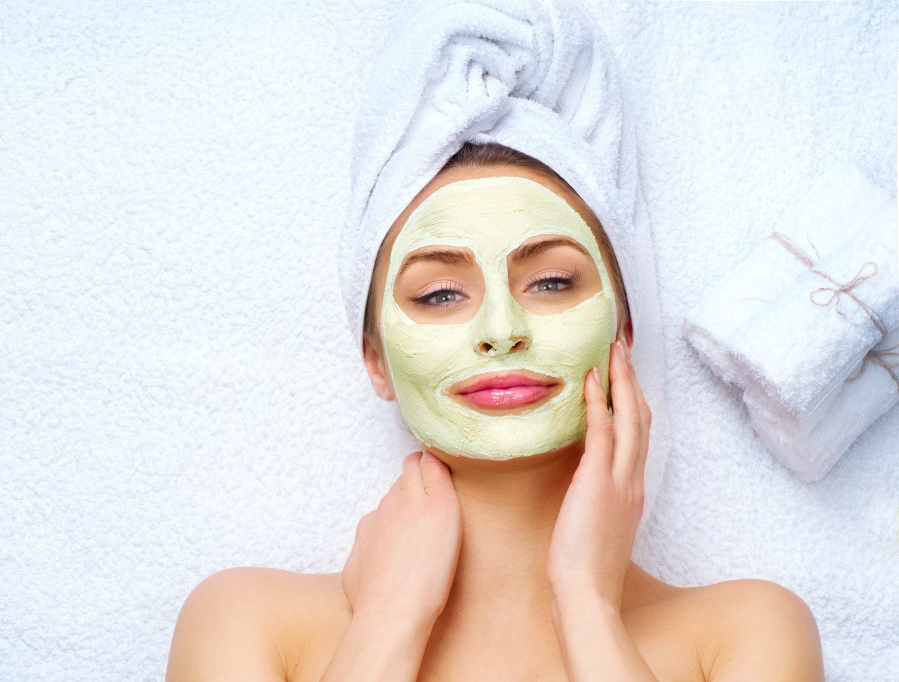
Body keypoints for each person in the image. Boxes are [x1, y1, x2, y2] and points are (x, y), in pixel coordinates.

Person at [167, 2, 824, 679]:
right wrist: (389, 620)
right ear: (376, 361)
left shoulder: (744, 633)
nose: (502, 330)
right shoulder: (248, 622)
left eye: (551, 283)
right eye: (440, 294)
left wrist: (587, 601)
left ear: (623, 333)